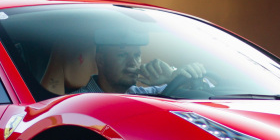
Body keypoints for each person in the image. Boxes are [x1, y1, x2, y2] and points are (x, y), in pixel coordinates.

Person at [77, 40, 207, 95]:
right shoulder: (77, 104)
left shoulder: (140, 95)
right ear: (101, 60)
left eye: (137, 55)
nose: (132, 63)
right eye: (122, 55)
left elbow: (208, 91)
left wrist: (172, 77)